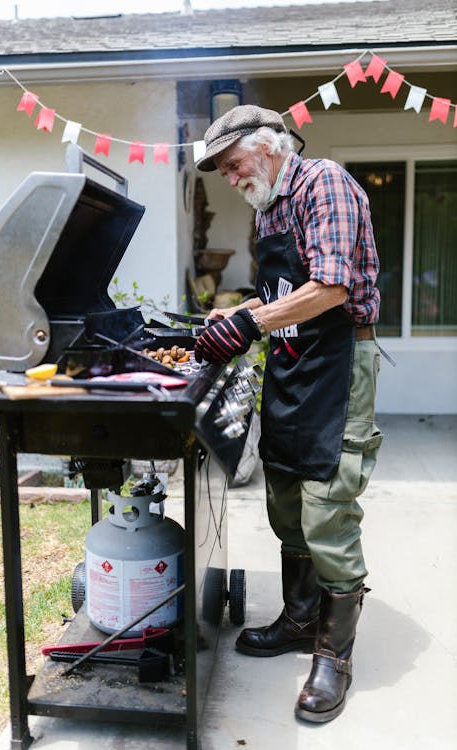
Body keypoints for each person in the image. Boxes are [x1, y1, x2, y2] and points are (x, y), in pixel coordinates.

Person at [195, 104, 383, 724]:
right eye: (222, 171)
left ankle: (334, 655)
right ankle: (301, 619)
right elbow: (282, 295)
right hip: (293, 360)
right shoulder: (270, 204)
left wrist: (250, 322)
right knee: (283, 492)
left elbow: (330, 288)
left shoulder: (323, 182)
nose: (229, 177)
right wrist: (241, 311)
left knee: (327, 503)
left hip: (337, 363)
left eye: (232, 163)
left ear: (271, 145)